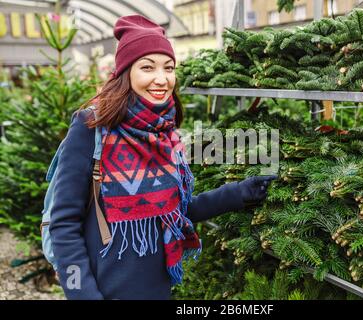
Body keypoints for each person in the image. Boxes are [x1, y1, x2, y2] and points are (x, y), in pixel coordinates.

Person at [49, 15, 277, 300]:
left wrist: (238, 193)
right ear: (125, 73)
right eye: (147, 67)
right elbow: (63, 226)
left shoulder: (165, 131)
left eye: (168, 68)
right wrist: (83, 295)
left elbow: (173, 211)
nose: (161, 78)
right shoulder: (91, 128)